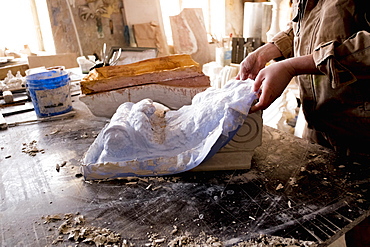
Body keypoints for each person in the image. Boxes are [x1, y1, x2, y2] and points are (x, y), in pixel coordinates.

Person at [236, 0, 370, 158]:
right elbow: (308, 27)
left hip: (361, 136)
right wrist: (268, 51)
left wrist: (291, 67)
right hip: (319, 127)